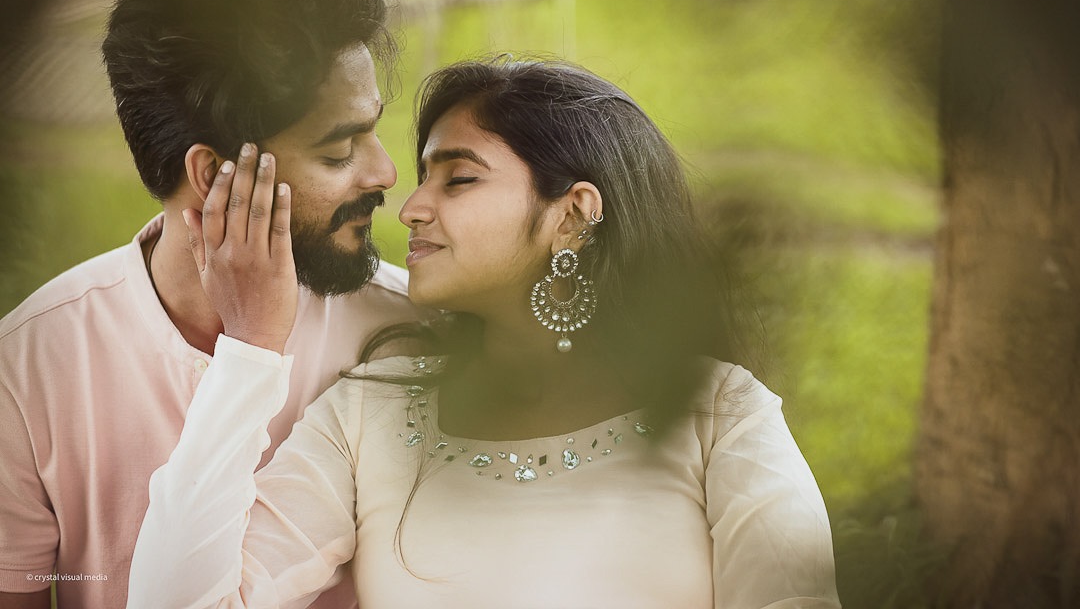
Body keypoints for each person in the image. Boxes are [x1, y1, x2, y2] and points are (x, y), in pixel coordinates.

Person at [127, 58, 842, 608]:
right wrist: (250, 350)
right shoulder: (369, 415)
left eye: (458, 180)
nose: (409, 208)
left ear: (573, 215)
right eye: (423, 179)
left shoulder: (719, 417)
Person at [0, 0, 421, 609]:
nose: (385, 173)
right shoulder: (28, 366)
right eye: (339, 149)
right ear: (212, 176)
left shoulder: (409, 332)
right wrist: (253, 349)